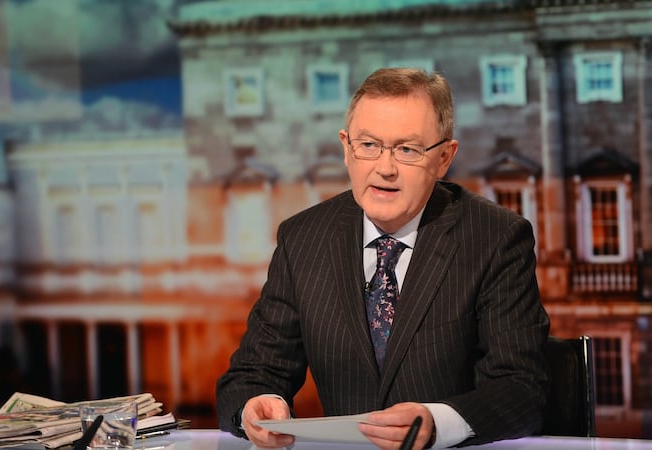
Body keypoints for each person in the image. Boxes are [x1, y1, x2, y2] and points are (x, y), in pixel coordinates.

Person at [217, 67, 550, 449]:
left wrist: (437, 423)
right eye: (369, 145)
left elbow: (523, 390)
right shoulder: (302, 239)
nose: (385, 168)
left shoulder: (495, 238)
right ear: (346, 149)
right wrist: (259, 405)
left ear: (444, 158)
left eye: (407, 149)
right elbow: (249, 376)